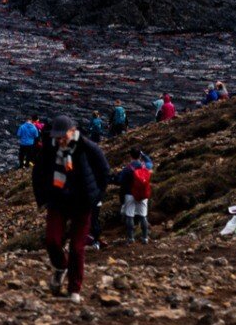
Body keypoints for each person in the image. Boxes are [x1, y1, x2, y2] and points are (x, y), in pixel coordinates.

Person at [28, 118, 103, 300]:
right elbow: (38, 173)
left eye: (63, 136)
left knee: (78, 248)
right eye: (58, 137)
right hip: (58, 200)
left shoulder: (87, 147)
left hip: (82, 203)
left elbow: (103, 170)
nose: (61, 140)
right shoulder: (50, 149)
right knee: (52, 240)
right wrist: (43, 198)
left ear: (73, 131)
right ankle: (61, 266)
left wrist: (96, 197)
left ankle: (74, 290)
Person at [117, 155, 152, 244]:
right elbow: (150, 162)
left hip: (129, 194)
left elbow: (120, 180)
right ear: (139, 156)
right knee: (143, 216)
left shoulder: (127, 168)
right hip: (143, 194)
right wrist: (142, 154)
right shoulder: (146, 166)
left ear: (130, 156)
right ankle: (145, 237)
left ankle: (130, 238)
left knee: (129, 216)